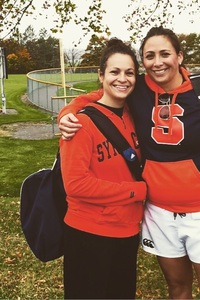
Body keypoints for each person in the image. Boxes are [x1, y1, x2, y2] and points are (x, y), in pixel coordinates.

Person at [58, 26, 200, 299]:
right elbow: (98, 98)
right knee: (176, 287)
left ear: (179, 56)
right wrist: (67, 111)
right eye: (149, 56)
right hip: (159, 212)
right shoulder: (138, 91)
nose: (157, 62)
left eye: (165, 54)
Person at [60, 38, 147, 299]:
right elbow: (75, 185)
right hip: (89, 233)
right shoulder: (80, 123)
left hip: (128, 231)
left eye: (129, 72)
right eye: (115, 72)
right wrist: (136, 192)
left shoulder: (136, 114)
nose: (123, 79)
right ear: (101, 75)